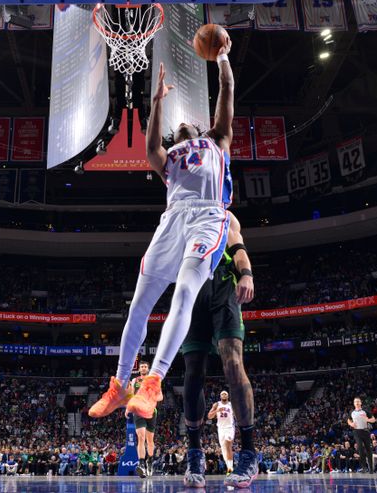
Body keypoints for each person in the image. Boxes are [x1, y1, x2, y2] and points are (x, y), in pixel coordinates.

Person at [89, 36, 235, 421]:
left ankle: (152, 383)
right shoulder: (169, 158)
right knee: (138, 304)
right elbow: (149, 148)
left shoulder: (217, 141)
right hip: (171, 222)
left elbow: (227, 89)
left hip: (207, 218)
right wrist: (154, 103)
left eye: (189, 122)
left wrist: (221, 59)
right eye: (179, 126)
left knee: (185, 291)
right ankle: (120, 385)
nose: (184, 124)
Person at [181, 212, 257, 489]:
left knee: (233, 364)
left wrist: (246, 274)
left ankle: (248, 453)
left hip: (224, 285)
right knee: (192, 374)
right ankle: (194, 453)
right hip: (191, 288)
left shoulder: (224, 216)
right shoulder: (177, 214)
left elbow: (237, 247)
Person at [131, 361, 158, 478]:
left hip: (151, 411)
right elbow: (131, 396)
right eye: (141, 366)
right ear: (139, 369)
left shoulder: (153, 380)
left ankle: (150, 461)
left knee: (150, 440)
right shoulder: (134, 381)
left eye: (145, 367)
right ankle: (141, 464)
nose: (143, 368)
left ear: (148, 368)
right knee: (141, 438)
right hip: (138, 411)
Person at [208, 391, 236, 475]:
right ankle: (229, 468)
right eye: (222, 394)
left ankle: (230, 468)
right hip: (220, 429)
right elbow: (209, 416)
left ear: (228, 396)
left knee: (228, 445)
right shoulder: (216, 404)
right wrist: (217, 410)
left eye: (226, 394)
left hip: (229, 427)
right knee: (224, 450)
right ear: (220, 396)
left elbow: (237, 414)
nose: (224, 395)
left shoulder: (231, 404)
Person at [347, 398, 376, 473]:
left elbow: (373, 419)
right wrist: (351, 424)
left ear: (360, 403)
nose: (356, 403)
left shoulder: (365, 411)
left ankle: (371, 468)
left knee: (368, 450)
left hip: (365, 431)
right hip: (357, 432)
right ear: (354, 403)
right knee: (360, 448)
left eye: (358, 401)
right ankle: (364, 467)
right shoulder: (352, 412)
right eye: (355, 402)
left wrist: (368, 420)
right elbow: (348, 420)